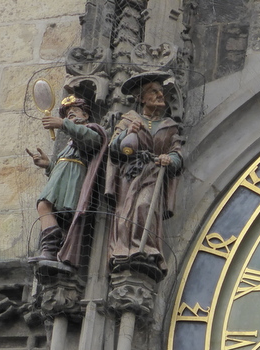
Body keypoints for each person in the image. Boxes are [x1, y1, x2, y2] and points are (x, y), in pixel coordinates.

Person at [106, 72, 183, 277]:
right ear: (141, 98)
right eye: (153, 91)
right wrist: (127, 132)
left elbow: (178, 156)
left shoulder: (169, 126)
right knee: (126, 210)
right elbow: (114, 149)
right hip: (130, 175)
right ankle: (125, 249)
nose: (160, 95)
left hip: (153, 172)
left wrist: (169, 159)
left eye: (160, 91)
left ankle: (146, 249)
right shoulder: (129, 119)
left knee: (144, 205)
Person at [25, 96, 106, 271]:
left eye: (73, 112)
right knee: (46, 207)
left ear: (85, 115)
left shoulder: (91, 130)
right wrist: (48, 165)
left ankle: (52, 249)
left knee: (46, 206)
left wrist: (63, 124)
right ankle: (52, 249)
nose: (69, 116)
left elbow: (92, 142)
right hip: (62, 177)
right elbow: (65, 161)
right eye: (67, 115)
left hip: (74, 178)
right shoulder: (71, 140)